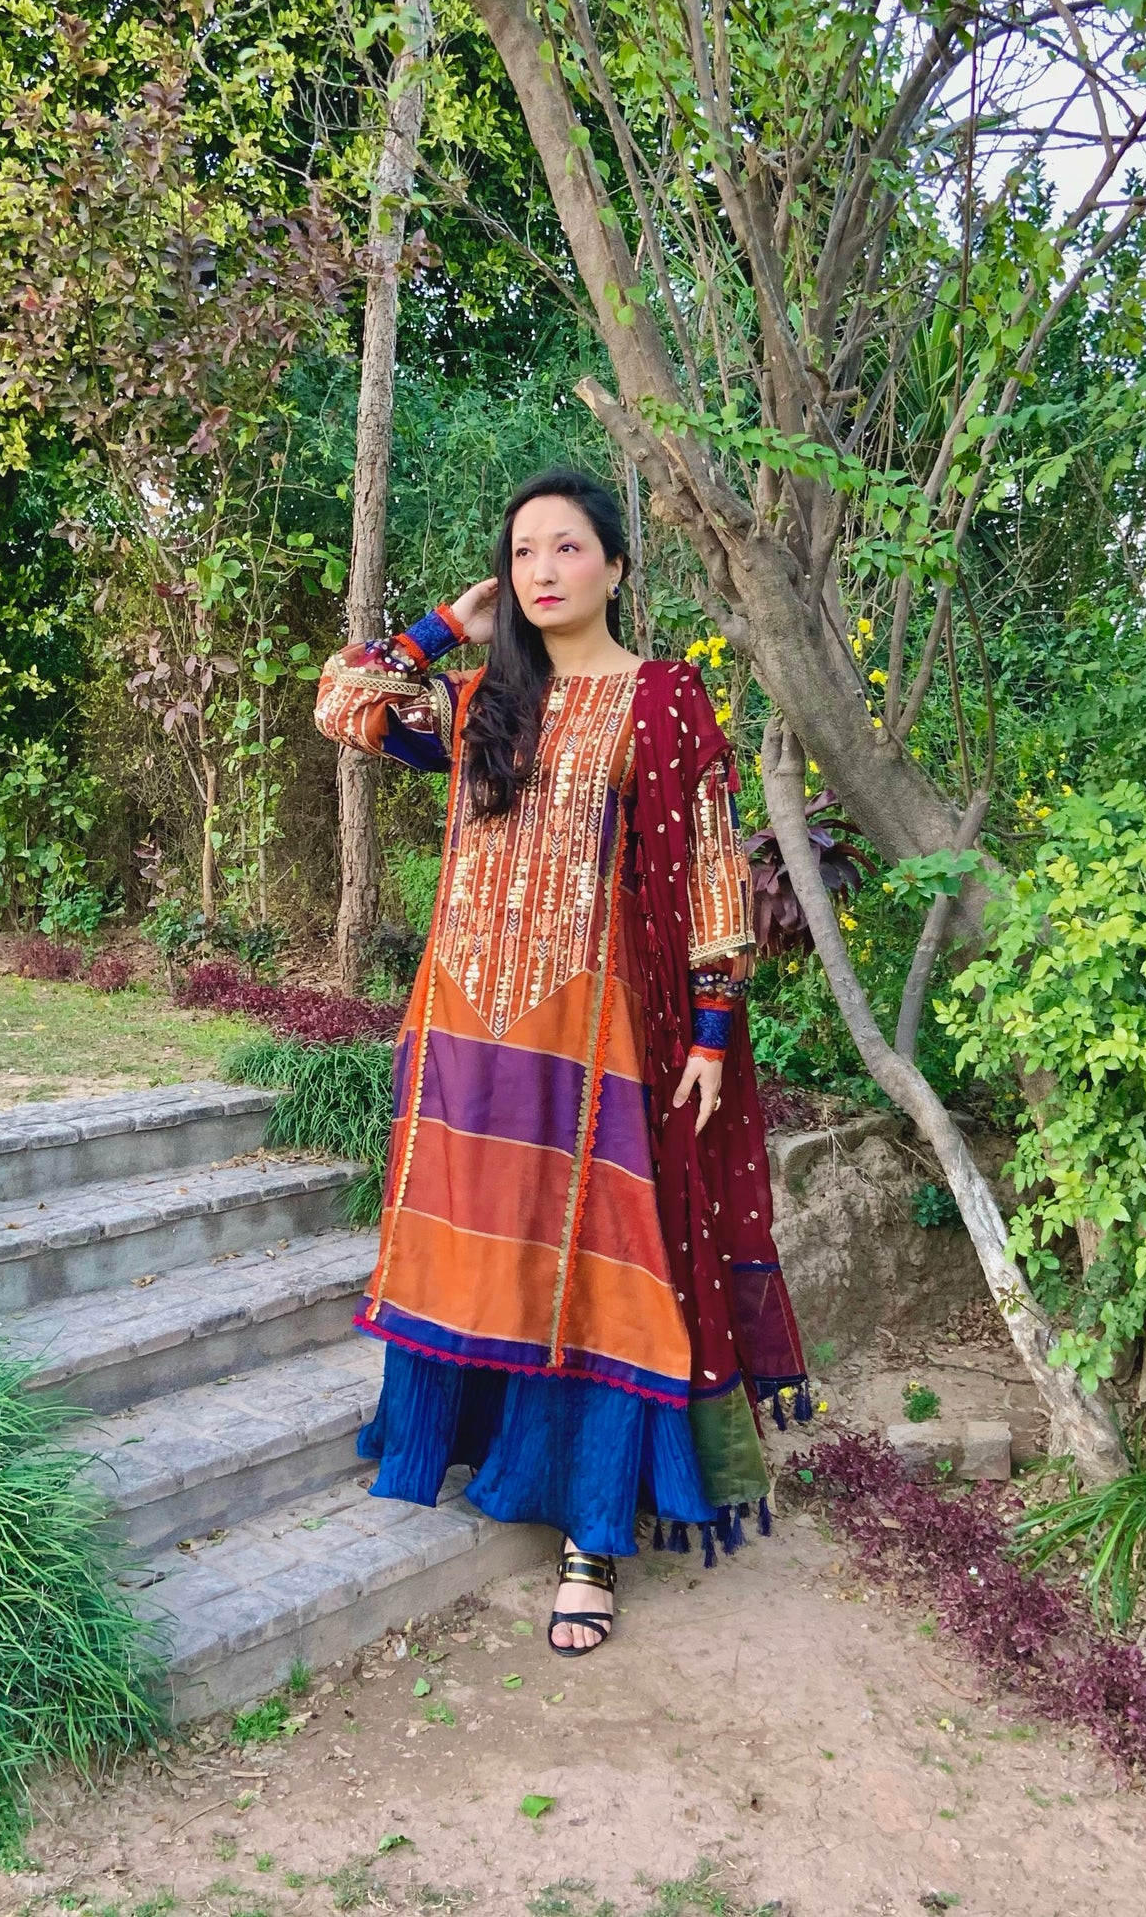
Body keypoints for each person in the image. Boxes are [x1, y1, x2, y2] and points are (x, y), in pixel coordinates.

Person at [315, 466, 808, 1656]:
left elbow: (705, 871)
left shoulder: (662, 698)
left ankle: (592, 1540)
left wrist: (707, 1027)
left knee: (602, 1270)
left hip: (595, 1037)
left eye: (566, 549)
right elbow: (343, 702)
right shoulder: (483, 699)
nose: (542, 571)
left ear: (615, 567)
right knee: (469, 1247)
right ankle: (464, 1447)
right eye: (523, 552)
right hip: (466, 1028)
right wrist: (446, 624)